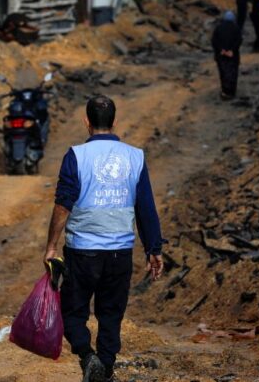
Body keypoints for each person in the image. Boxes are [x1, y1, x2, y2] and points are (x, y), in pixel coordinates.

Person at [45, 95, 164, 382]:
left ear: (86, 122)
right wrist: (154, 248)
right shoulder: (134, 156)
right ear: (115, 122)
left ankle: (88, 356)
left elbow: (63, 205)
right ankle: (106, 368)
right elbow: (145, 206)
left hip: (82, 252)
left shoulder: (76, 156)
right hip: (119, 253)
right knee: (111, 314)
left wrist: (50, 246)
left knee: (73, 312)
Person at [211, 11, 242, 100]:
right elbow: (239, 40)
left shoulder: (218, 28)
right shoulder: (236, 28)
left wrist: (221, 50)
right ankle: (232, 92)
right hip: (233, 55)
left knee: (223, 72)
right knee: (233, 72)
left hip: (221, 55)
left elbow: (214, 41)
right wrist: (232, 50)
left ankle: (225, 91)